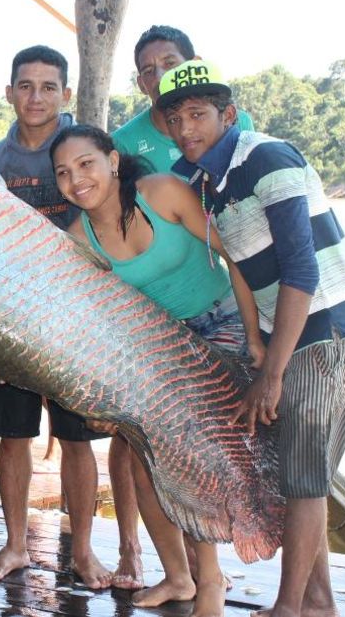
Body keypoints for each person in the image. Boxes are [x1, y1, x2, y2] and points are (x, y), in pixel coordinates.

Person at [158, 60, 345, 617]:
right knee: (296, 469)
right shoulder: (204, 180)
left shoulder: (267, 158)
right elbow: (242, 266)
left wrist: (273, 373)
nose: (187, 128)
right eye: (176, 117)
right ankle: (319, 601)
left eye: (199, 114)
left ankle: (289, 607)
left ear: (227, 114)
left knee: (305, 476)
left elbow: (301, 271)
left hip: (329, 324)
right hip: (286, 329)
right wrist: (257, 340)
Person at [50, 124, 264, 617]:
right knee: (146, 466)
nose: (76, 179)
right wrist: (98, 399)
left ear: (113, 161)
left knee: (185, 450)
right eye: (63, 173)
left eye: (86, 164)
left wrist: (255, 338)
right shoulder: (77, 240)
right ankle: (179, 577)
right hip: (159, 344)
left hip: (223, 322)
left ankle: (210, 579)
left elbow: (236, 258)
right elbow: (91, 326)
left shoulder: (163, 193)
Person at [0, 44, 140, 590]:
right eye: (25, 85)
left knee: (76, 439)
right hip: (12, 319)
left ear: (66, 94)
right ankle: (17, 543)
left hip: (80, 321)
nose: (35, 96)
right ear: (9, 92)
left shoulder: (86, 149)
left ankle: (85, 551)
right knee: (12, 435)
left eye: (48, 87)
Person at [112, 25, 254, 174]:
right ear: (141, 85)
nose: (160, 77)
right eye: (148, 71)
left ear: (195, 65)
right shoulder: (123, 144)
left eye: (169, 64)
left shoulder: (237, 122)